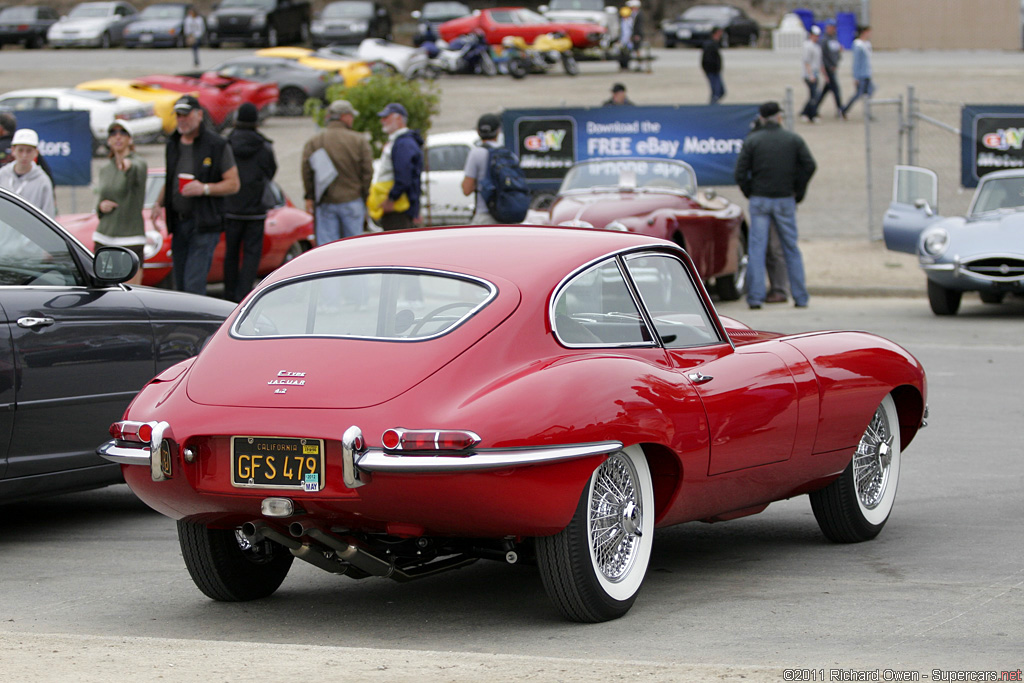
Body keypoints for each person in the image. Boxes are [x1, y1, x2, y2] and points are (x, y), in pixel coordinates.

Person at [151, 94, 240, 295]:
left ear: (199, 115)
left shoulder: (216, 144)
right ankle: (183, 322)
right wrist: (158, 203)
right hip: (178, 223)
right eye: (178, 115)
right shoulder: (173, 142)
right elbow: (170, 177)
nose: (181, 119)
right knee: (180, 283)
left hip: (205, 224)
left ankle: (197, 325)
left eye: (186, 115)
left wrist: (205, 188)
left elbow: (233, 184)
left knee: (194, 282)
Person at [734, 101, 816, 309]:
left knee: (757, 248)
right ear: (779, 117)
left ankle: (755, 297)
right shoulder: (793, 139)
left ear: (761, 118)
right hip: (785, 198)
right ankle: (800, 296)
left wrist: (750, 191)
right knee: (790, 248)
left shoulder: (753, 140)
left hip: (760, 198)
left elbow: (740, 173)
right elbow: (809, 165)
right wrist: (798, 191)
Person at [222, 103, 276, 303]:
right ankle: (244, 294)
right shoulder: (264, 146)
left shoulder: (226, 143)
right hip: (256, 209)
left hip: (230, 208)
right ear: (256, 121)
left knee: (231, 253)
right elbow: (271, 171)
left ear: (236, 119)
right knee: (252, 255)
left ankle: (228, 294)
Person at [301, 99, 373, 245]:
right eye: (351, 116)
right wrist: (364, 194)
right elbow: (367, 171)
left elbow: (306, 170)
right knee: (354, 246)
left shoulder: (315, 141)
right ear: (344, 116)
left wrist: (310, 195)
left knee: (328, 247)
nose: (352, 119)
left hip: (326, 201)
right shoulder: (359, 140)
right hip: (352, 199)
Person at [94, 121, 147, 284]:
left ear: (130, 140)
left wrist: (127, 165)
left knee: (130, 294)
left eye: (122, 133)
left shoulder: (138, 163)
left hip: (130, 239)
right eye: (113, 133)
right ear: (108, 140)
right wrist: (101, 207)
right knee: (105, 291)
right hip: (104, 236)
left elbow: (134, 168)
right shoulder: (105, 169)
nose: (117, 137)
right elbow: (99, 198)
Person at [370, 102, 423, 231]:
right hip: (397, 205)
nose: (382, 121)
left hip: (398, 207)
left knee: (396, 242)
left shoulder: (403, 143)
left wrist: (391, 199)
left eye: (386, 117)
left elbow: (404, 176)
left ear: (399, 119)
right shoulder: (399, 141)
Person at [0, 128, 55, 217]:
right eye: (20, 150)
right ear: (13, 150)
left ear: (36, 152)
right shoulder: (2, 175)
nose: (24, 155)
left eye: (29, 151)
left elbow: (48, 214)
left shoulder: (42, 181)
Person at [461, 113, 504, 224]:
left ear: (477, 131)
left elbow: (467, 189)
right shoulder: (508, 153)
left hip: (485, 215)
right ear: (498, 131)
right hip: (507, 215)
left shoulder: (476, 153)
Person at [841, 26, 874, 117]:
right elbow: (856, 62)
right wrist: (855, 77)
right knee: (858, 94)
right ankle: (844, 109)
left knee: (870, 92)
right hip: (861, 75)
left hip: (867, 73)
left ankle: (867, 112)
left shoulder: (867, 44)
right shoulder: (858, 45)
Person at [813, 19, 843, 118]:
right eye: (830, 27)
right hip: (828, 68)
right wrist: (825, 68)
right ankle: (840, 109)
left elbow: (836, 53)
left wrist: (836, 63)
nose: (832, 29)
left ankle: (814, 108)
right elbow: (822, 56)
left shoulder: (835, 38)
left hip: (833, 68)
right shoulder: (824, 40)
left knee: (825, 91)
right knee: (836, 90)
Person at [800, 26, 822, 123]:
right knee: (813, 95)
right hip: (809, 75)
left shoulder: (817, 46)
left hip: (816, 73)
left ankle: (805, 112)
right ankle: (812, 115)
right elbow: (807, 62)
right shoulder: (807, 46)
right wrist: (810, 75)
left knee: (814, 95)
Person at [701, 27, 725, 105]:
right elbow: (707, 58)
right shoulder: (710, 44)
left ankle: (713, 104)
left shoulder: (714, 43)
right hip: (712, 70)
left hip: (715, 70)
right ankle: (712, 106)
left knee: (720, 91)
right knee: (717, 91)